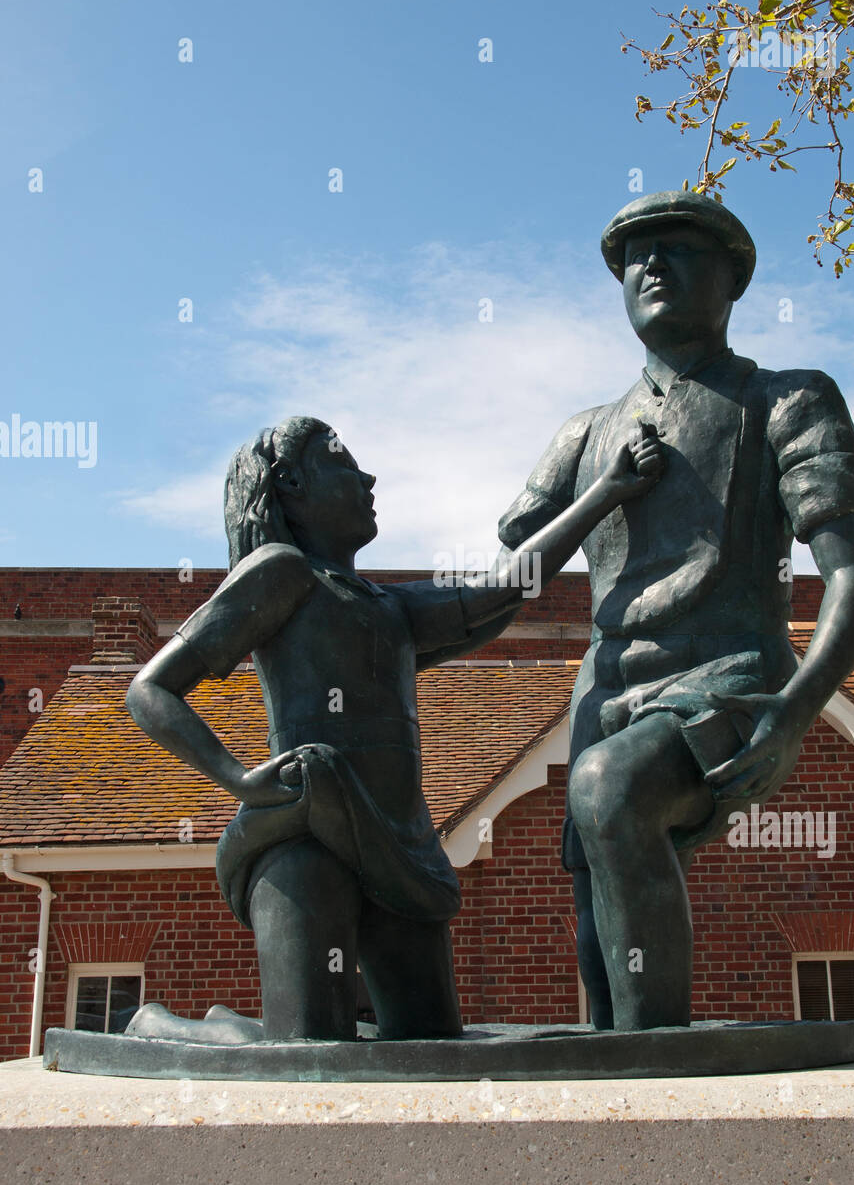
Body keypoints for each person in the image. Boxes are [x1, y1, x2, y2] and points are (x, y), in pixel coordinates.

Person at [125, 414, 662, 1042]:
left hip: (400, 852)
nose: (367, 475)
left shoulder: (391, 608)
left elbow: (508, 588)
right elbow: (150, 690)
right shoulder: (281, 572)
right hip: (306, 837)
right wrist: (239, 779)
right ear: (291, 483)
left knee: (431, 1043)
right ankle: (162, 1027)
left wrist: (605, 493)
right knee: (307, 1051)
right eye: (342, 460)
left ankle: (232, 1023)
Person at [498, 191, 854, 1032]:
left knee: (609, 794)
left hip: (728, 676)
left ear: (733, 279)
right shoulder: (585, 433)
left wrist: (794, 709)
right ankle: (614, 1053)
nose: (652, 267)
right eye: (637, 257)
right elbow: (514, 576)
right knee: (590, 890)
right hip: (602, 692)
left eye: (678, 250)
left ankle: (653, 1057)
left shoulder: (786, 401)